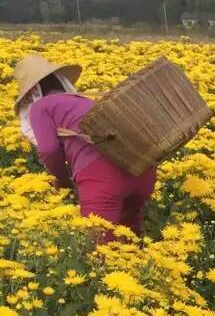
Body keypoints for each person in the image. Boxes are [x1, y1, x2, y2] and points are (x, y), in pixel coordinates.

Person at [14, 54, 157, 244]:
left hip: (102, 176)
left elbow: (48, 150)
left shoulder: (41, 107)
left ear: (31, 92)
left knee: (99, 249)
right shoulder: (86, 101)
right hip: (141, 170)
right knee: (128, 244)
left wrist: (63, 179)